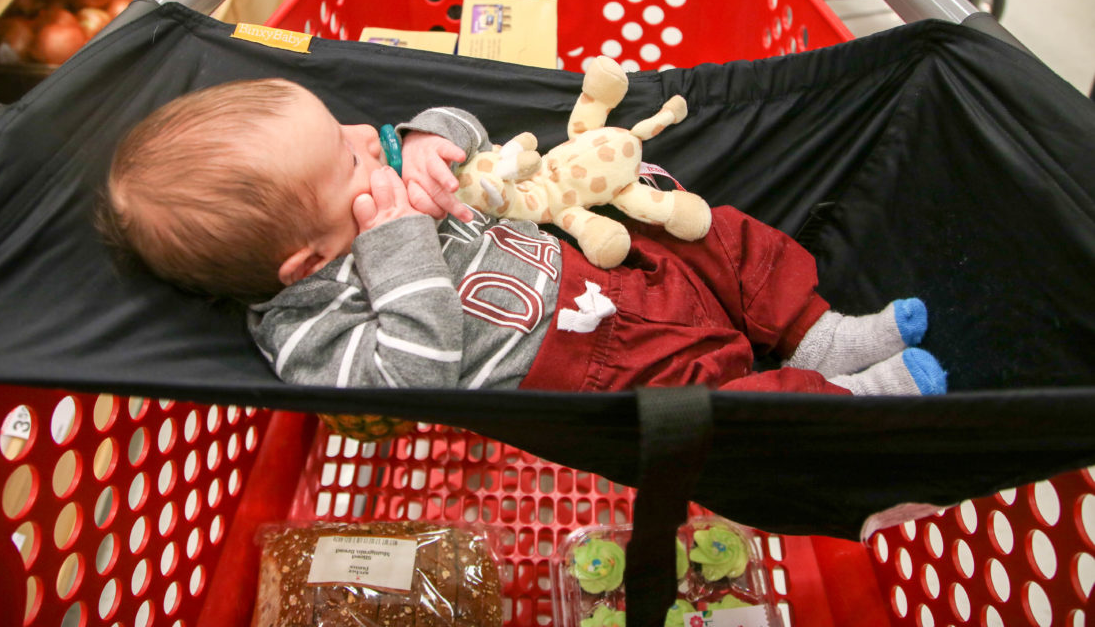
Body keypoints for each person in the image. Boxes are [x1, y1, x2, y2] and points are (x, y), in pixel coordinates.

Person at [97, 77, 947, 397]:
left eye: (351, 128)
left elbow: (458, 126)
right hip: (584, 363)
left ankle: (815, 333)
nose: (370, 141)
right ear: (306, 262)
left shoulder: (376, 166)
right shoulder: (307, 332)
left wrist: (432, 137)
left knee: (715, 236)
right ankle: (841, 405)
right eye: (353, 160)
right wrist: (395, 242)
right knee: (711, 407)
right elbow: (414, 377)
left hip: (592, 255)